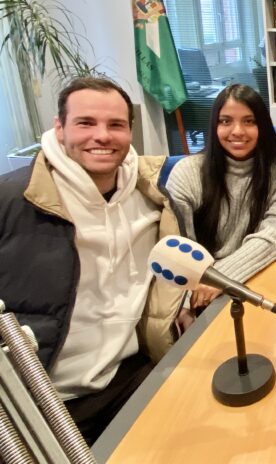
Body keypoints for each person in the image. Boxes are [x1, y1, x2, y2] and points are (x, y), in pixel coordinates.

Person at [0, 76, 185, 444]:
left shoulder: (153, 201)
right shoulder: (11, 200)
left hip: (130, 375)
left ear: (130, 132)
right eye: (85, 123)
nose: (102, 136)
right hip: (42, 395)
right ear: (59, 128)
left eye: (115, 125)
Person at [166, 84, 276, 309]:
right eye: (226, 121)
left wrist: (221, 280)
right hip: (197, 294)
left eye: (249, 121)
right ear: (214, 126)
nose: (237, 131)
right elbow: (176, 252)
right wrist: (184, 307)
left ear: (262, 127)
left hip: (256, 277)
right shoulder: (187, 173)